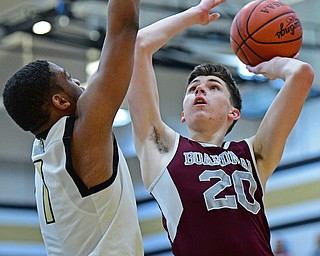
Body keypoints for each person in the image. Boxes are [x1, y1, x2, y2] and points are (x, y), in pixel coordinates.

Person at [127, 0, 314, 255]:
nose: (200, 90)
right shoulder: (162, 149)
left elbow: (301, 73)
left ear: (233, 112)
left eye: (213, 87)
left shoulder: (254, 154)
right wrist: (194, 14)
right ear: (183, 114)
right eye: (193, 89)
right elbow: (140, 46)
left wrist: (266, 67)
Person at [2, 0, 143, 255]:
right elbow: (124, 26)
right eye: (68, 78)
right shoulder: (83, 134)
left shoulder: (43, 151)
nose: (77, 81)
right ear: (60, 101)